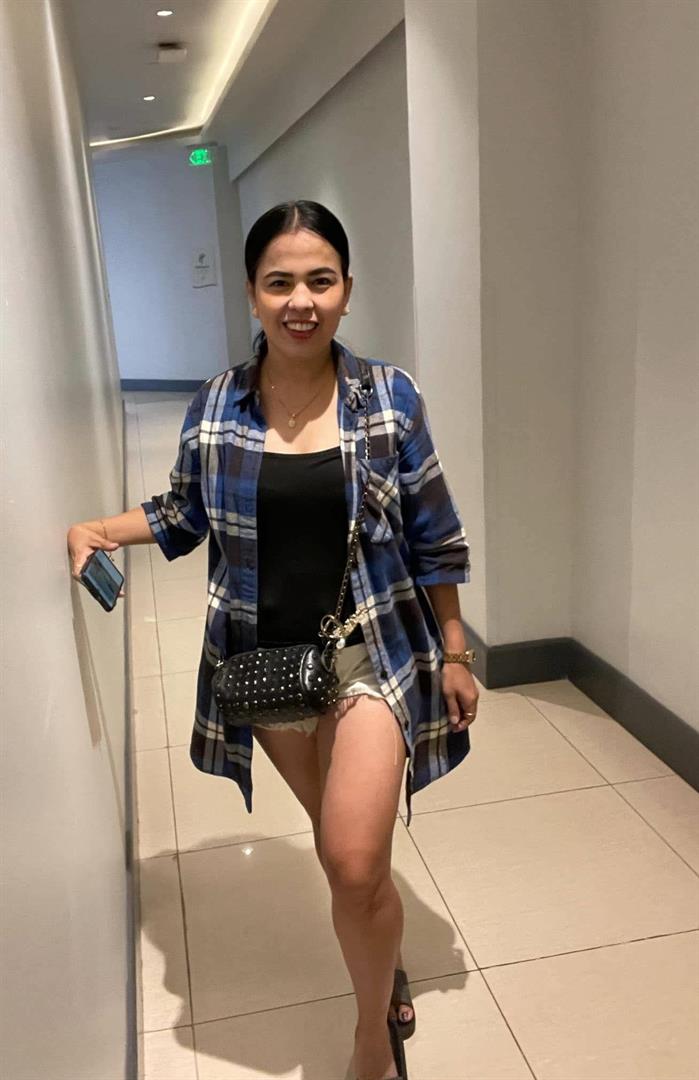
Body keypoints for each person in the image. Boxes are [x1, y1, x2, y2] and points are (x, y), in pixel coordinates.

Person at [67, 200, 478, 1080]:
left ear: (346, 290)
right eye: (279, 282)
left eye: (319, 281)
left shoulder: (388, 396)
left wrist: (454, 648)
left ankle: (370, 1039)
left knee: (353, 859)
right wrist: (98, 529)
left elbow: (433, 532)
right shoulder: (218, 402)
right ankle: (382, 962)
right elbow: (182, 514)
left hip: (369, 651)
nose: (301, 300)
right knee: (344, 856)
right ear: (252, 294)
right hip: (263, 663)